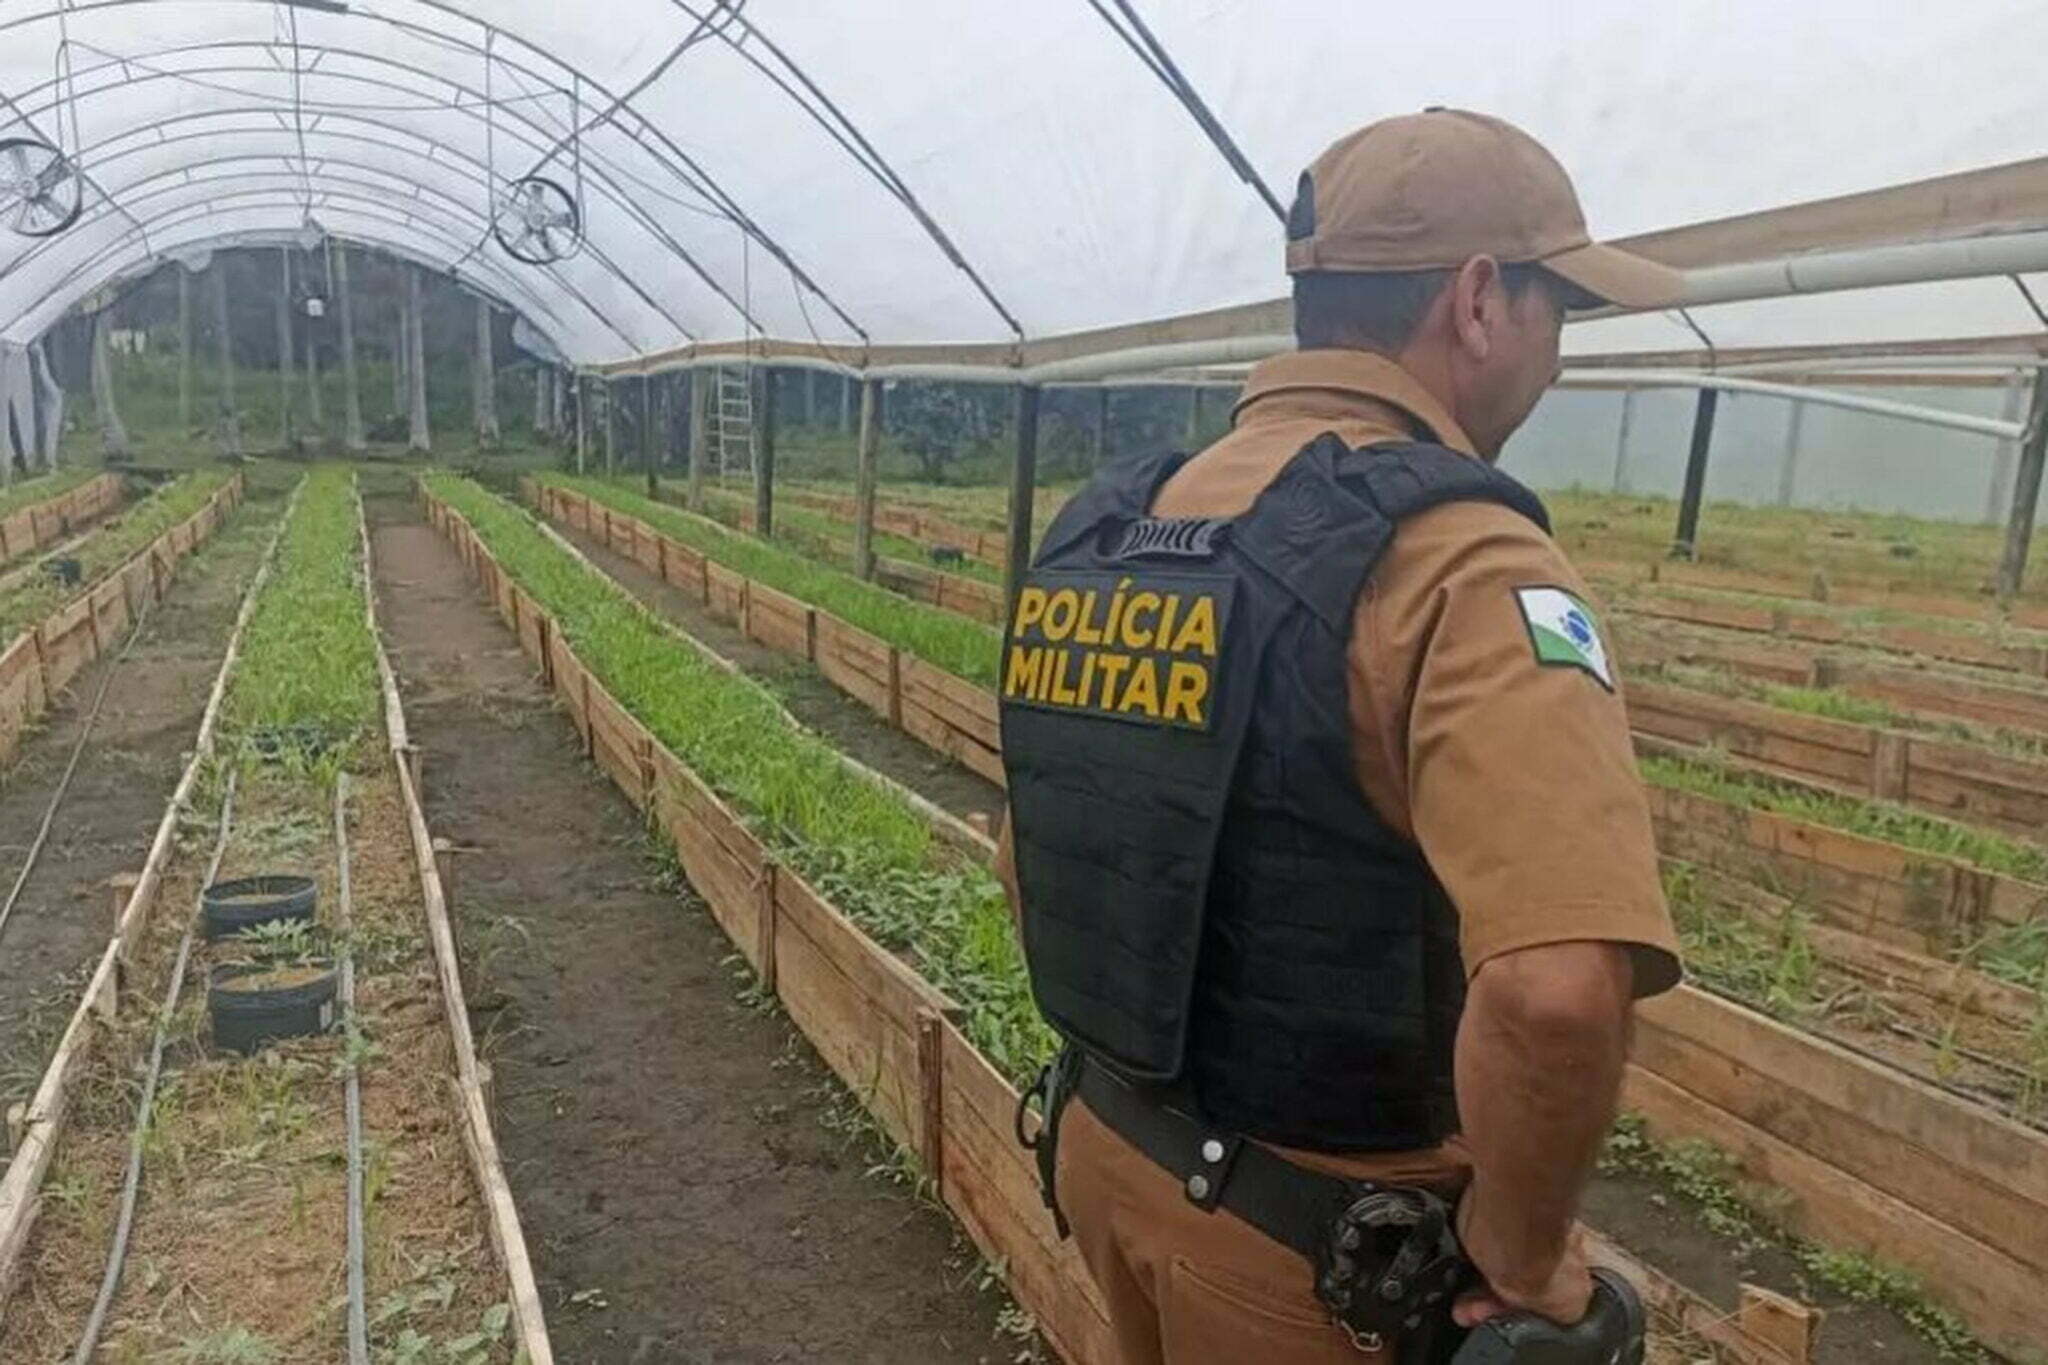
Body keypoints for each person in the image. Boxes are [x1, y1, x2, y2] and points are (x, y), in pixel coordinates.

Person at [995, 108, 1686, 1364]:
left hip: (1107, 1151)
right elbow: (1552, 993)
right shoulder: (1461, 561)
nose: (1557, 358)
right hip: (1316, 1259)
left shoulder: (1113, 529)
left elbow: (1030, 854)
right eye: (1556, 313)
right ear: (1478, 302)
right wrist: (1525, 1253)